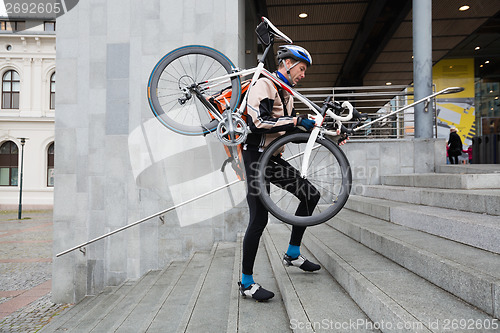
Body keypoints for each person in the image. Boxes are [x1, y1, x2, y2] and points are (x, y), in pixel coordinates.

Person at [238, 45, 321, 301]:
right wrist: (296, 121)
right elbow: (257, 123)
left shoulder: (287, 95)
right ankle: (246, 282)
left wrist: (322, 133)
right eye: (301, 69)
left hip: (273, 158)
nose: (303, 75)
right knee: (259, 219)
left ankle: (292, 254)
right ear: (286, 63)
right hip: (253, 158)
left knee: (311, 195)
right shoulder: (264, 84)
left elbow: (289, 134)